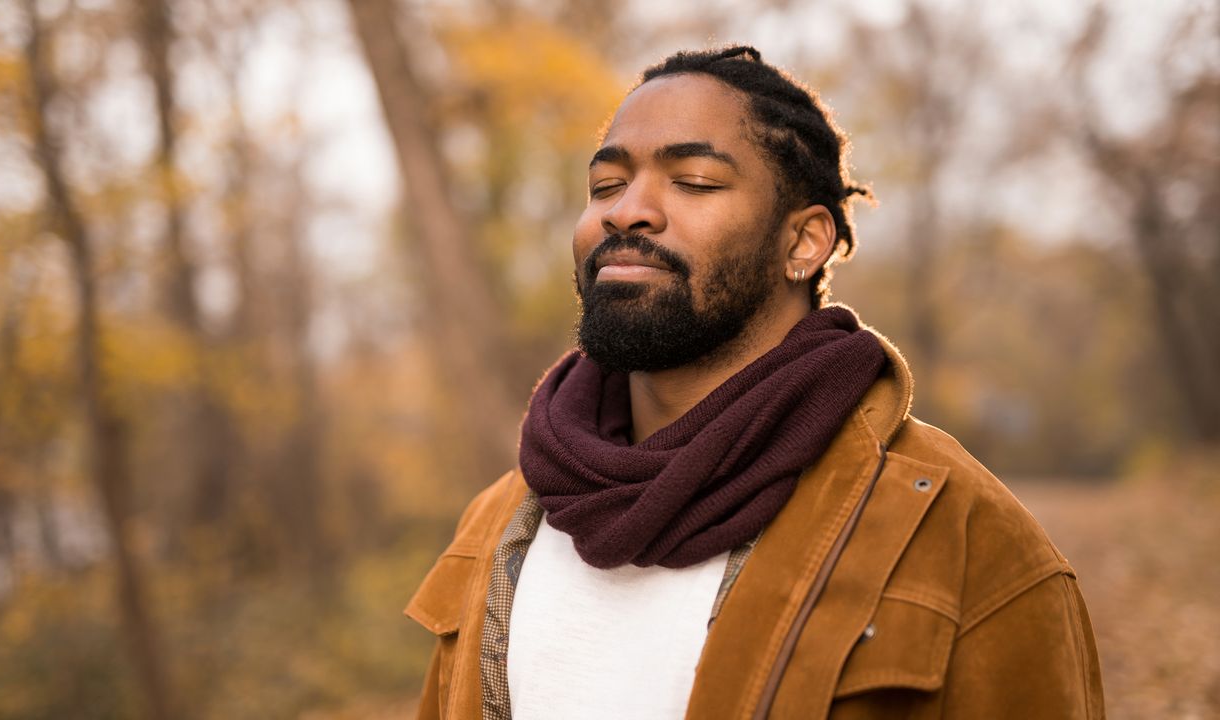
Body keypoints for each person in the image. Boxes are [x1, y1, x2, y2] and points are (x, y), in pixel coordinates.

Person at [404, 46, 1104, 719]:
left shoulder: (965, 539)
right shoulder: (500, 522)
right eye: (605, 186)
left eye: (695, 182)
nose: (625, 211)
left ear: (804, 242)